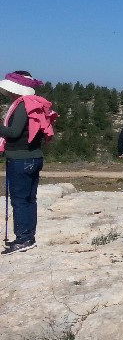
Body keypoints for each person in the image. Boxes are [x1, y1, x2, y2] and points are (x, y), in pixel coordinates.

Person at [0, 71, 57, 254]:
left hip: (19, 158)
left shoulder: (22, 106)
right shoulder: (35, 104)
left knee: (19, 201)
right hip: (35, 156)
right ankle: (29, 237)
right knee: (29, 199)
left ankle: (23, 238)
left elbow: (14, 133)